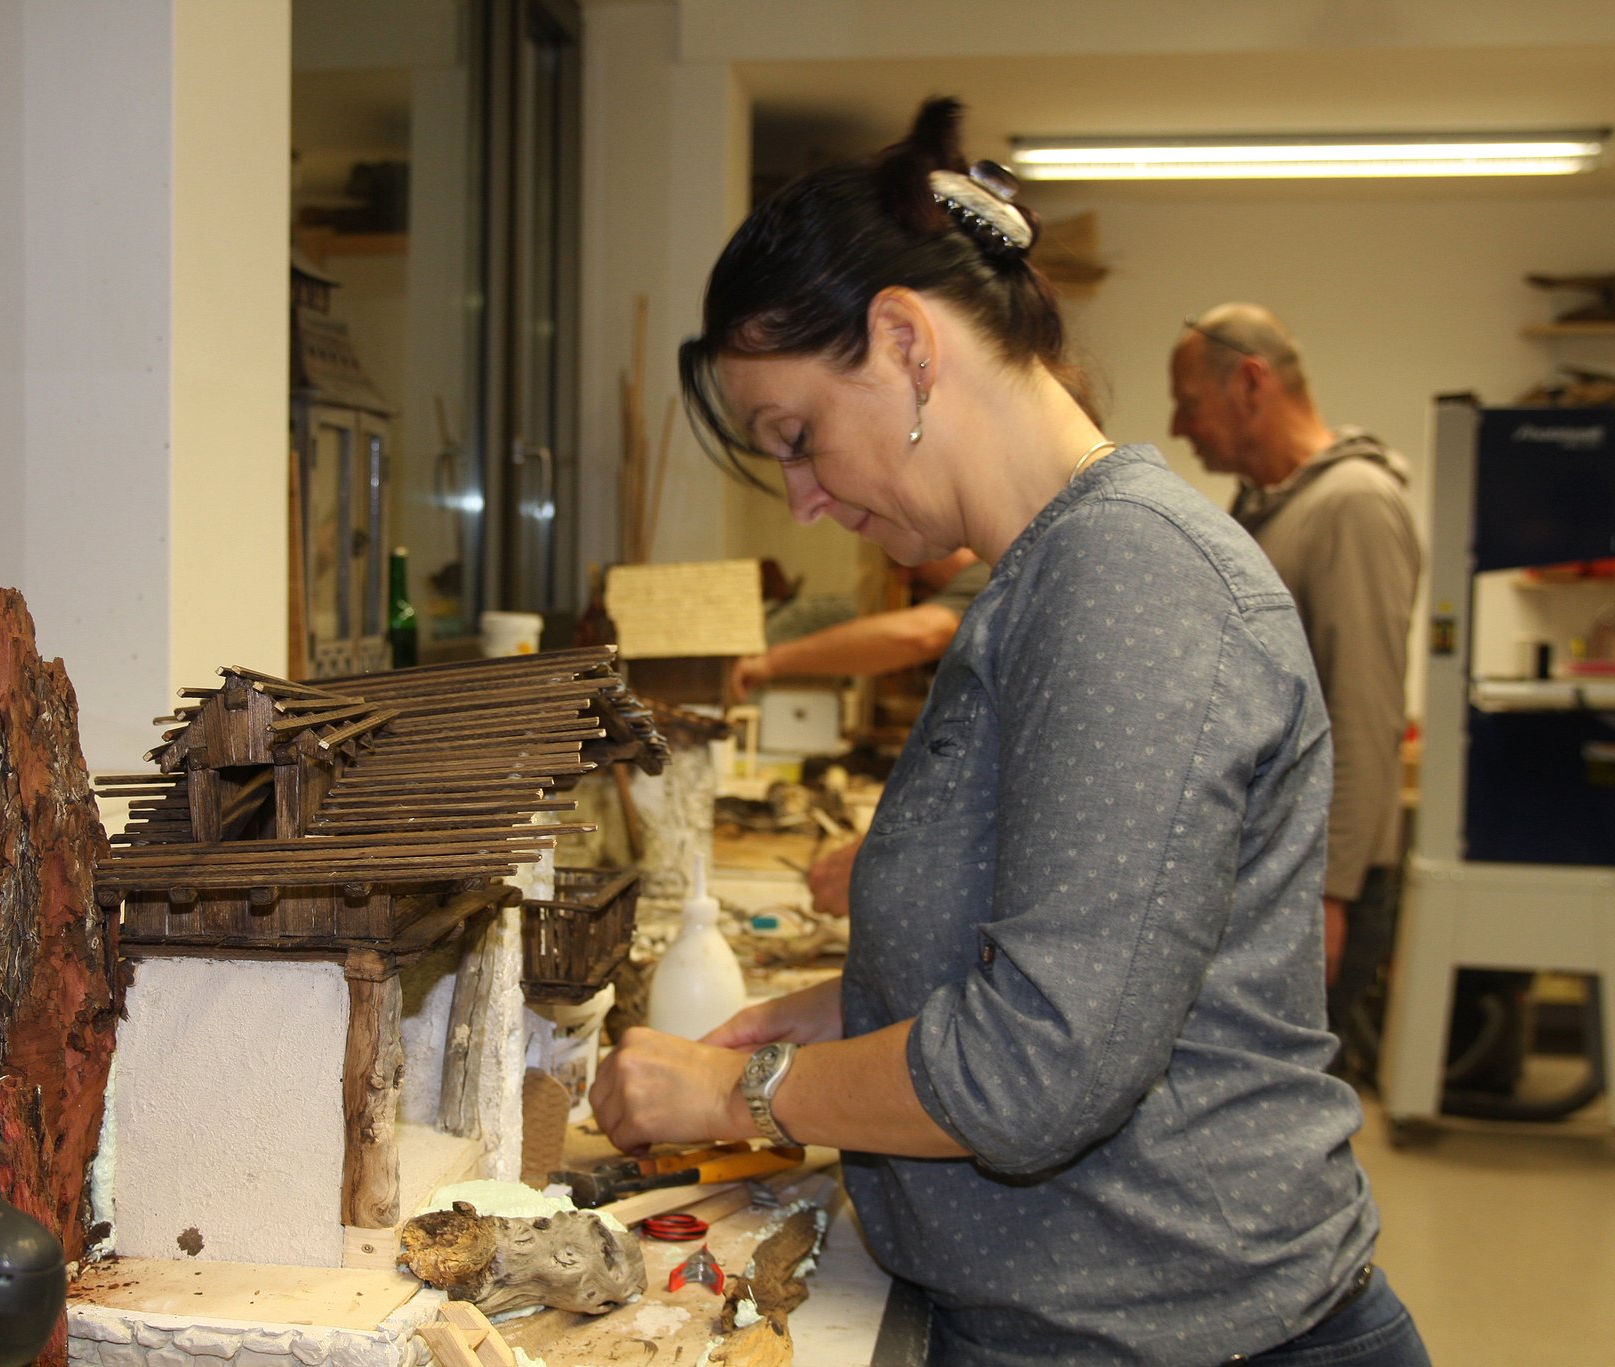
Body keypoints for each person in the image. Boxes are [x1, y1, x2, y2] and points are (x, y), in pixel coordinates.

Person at [590, 98, 1428, 1365]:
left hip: (1187, 1332)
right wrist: (844, 1007)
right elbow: (1097, 949)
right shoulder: (1040, 575)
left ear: (904, 343)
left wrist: (735, 1092)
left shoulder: (1128, 579)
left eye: (797, 439)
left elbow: (1039, 1069)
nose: (803, 500)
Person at [1168, 305, 1421, 1072]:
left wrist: (1331, 896)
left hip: (1315, 888)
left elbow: (1364, 709)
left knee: (1287, 1107)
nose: (1179, 426)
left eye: (1190, 403)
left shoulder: (1353, 504)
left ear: (1251, 382)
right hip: (1272, 873)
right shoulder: (1266, 506)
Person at [730, 548, 986, 703]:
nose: (903, 579)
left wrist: (770, 663)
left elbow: (920, 635)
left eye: (906, 564)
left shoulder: (984, 576)